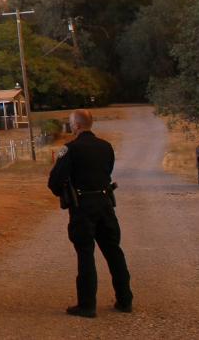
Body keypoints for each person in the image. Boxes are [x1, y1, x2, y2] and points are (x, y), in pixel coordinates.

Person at [47, 109, 133, 318]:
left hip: (83, 206)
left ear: (76, 125)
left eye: (70, 123)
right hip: (105, 204)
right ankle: (125, 300)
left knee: (85, 254)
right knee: (114, 252)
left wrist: (64, 191)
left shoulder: (70, 150)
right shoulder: (106, 147)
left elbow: (55, 182)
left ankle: (87, 305)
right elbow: (108, 171)